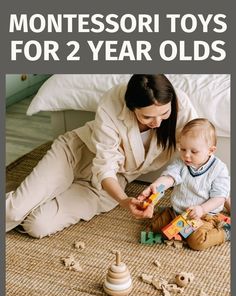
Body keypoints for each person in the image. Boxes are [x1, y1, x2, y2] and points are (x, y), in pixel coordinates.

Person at [6, 74, 198, 239]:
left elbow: (199, 154)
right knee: (15, 210)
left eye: (164, 113)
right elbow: (105, 165)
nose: (157, 122)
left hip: (110, 182)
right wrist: (124, 200)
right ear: (132, 108)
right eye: (147, 117)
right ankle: (28, 198)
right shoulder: (113, 101)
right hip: (74, 156)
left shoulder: (180, 107)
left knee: (38, 226)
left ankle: (35, 197)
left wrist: (221, 199)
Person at [138, 118, 230, 251]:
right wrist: (156, 185)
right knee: (154, 229)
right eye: (182, 149)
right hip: (177, 211)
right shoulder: (180, 163)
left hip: (204, 216)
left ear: (211, 150)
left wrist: (202, 209)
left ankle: (225, 233)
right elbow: (170, 177)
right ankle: (170, 221)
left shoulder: (219, 169)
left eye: (194, 151)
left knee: (197, 242)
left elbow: (219, 197)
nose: (186, 155)